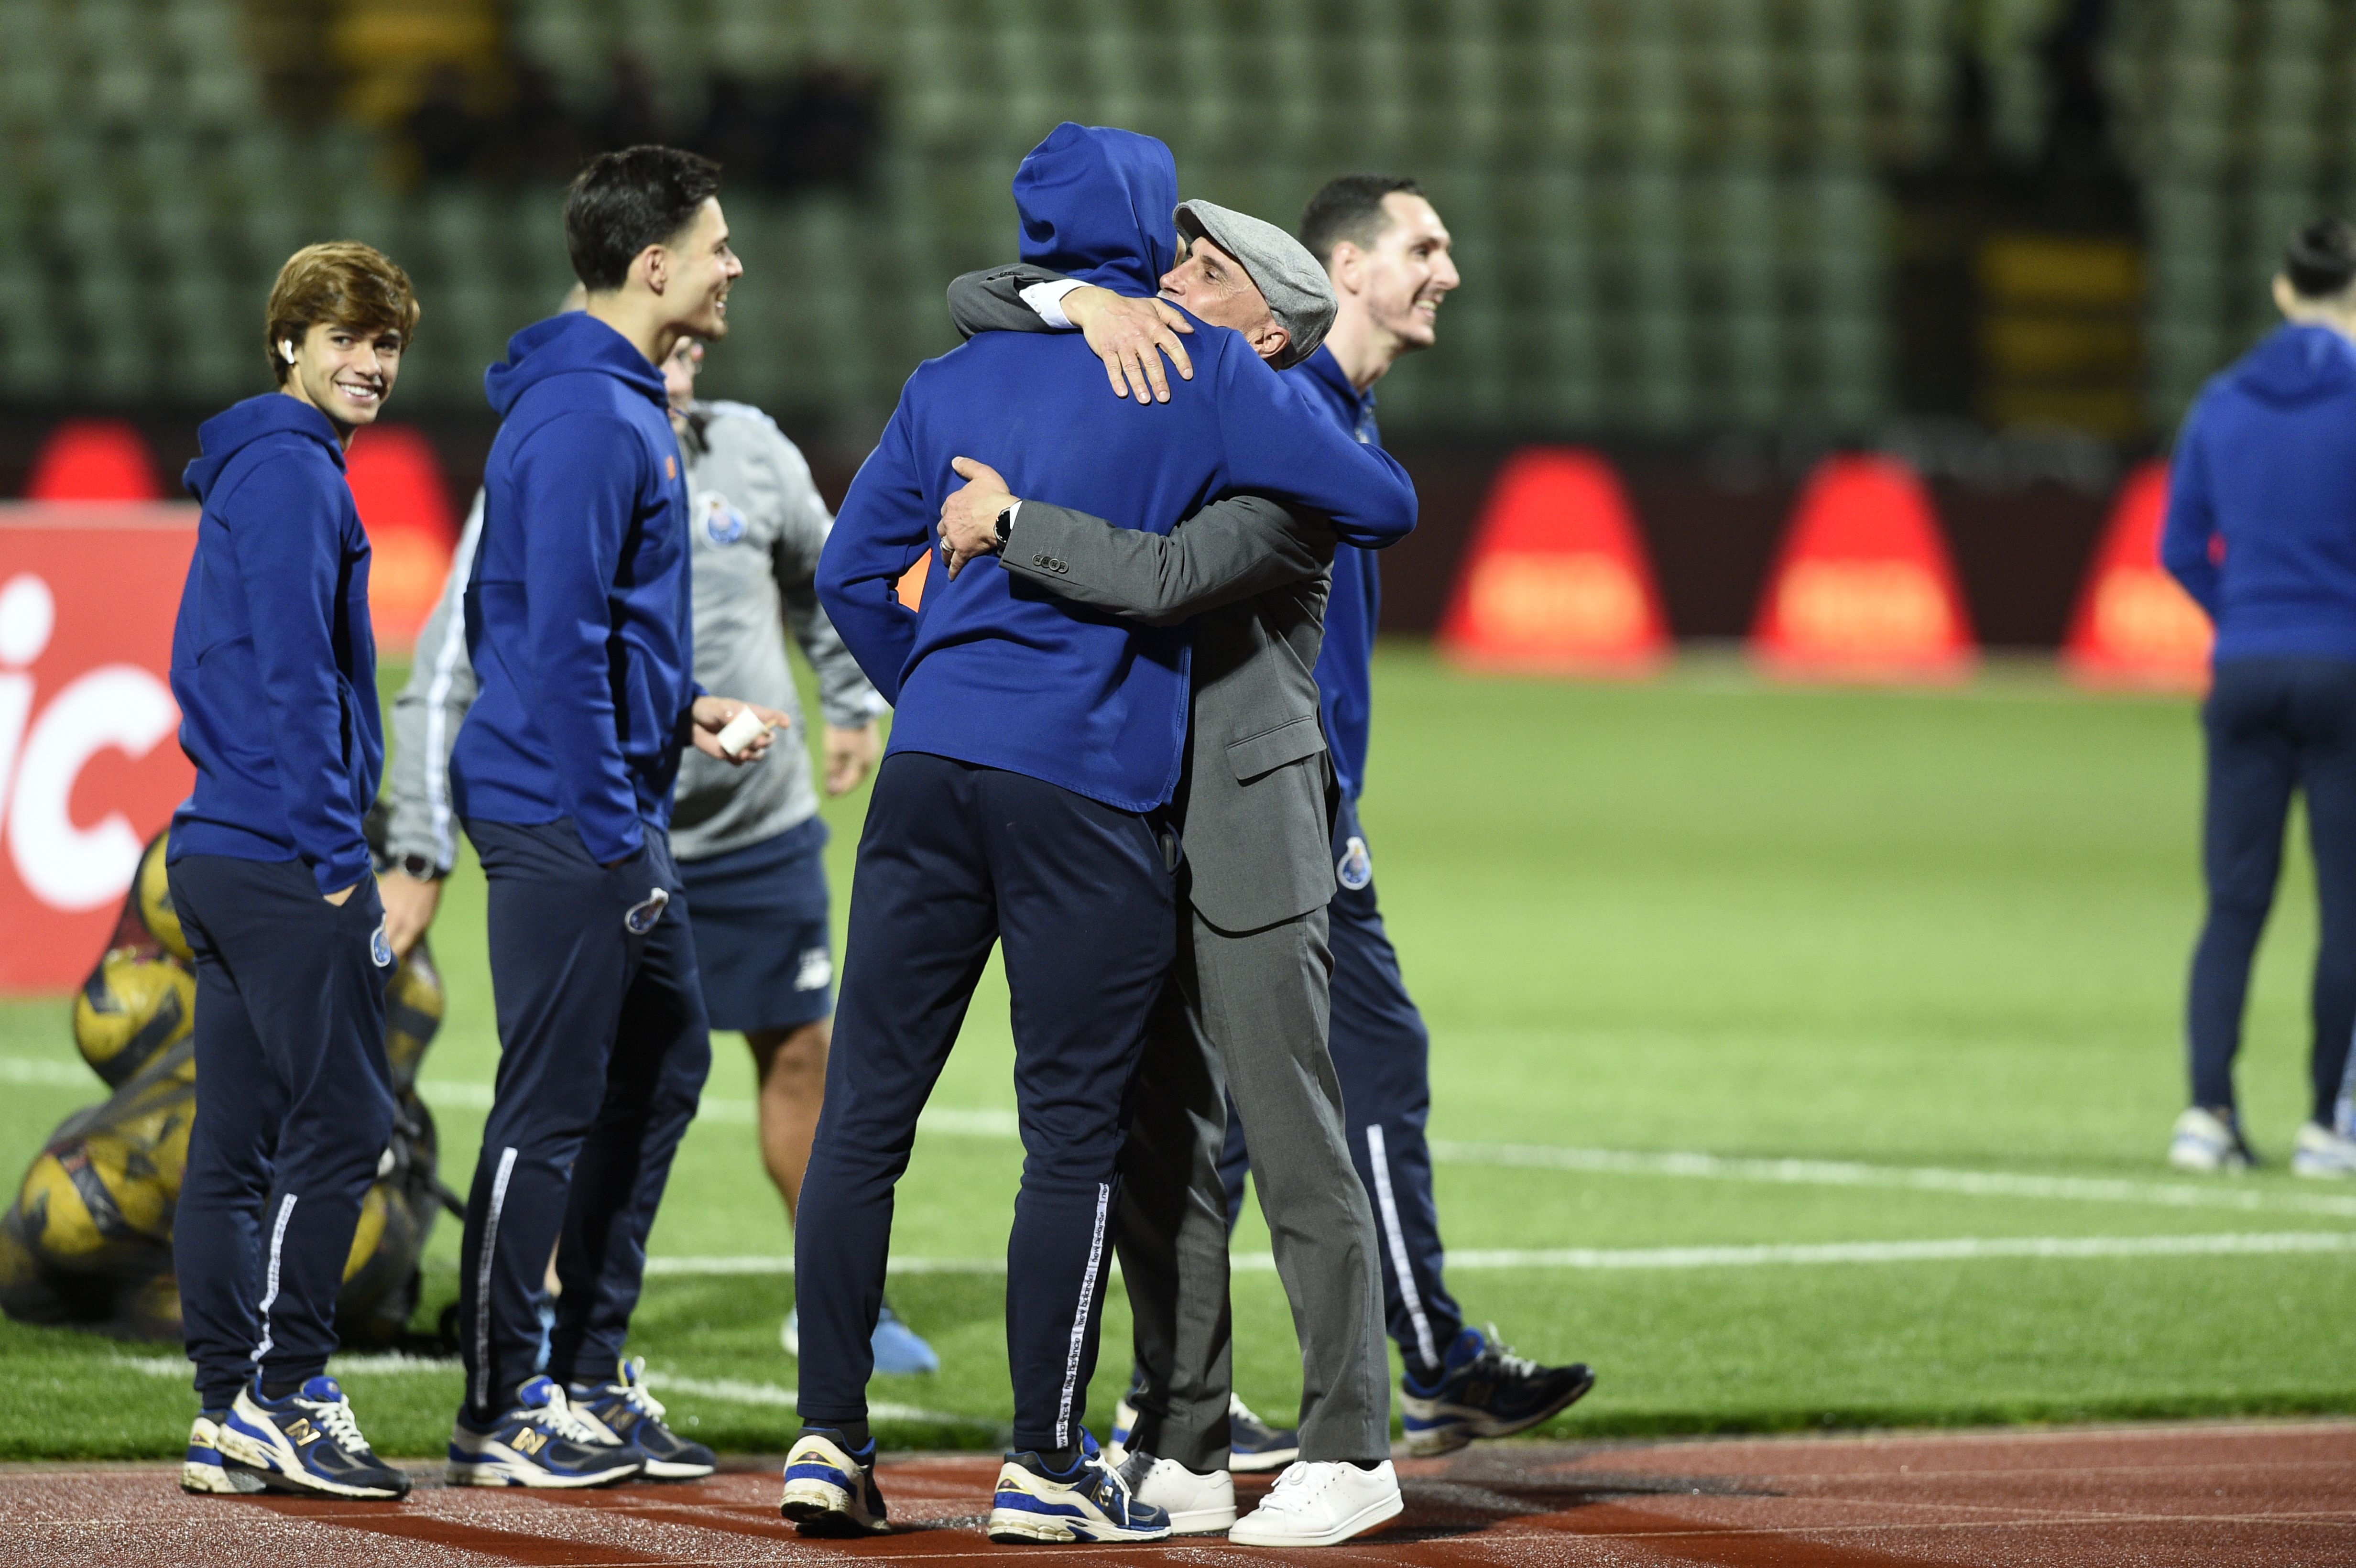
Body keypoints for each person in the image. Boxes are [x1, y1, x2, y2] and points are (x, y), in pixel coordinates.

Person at [779, 123, 1416, 1546]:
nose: (1188, 279)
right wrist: (1083, 305)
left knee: (875, 1116)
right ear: (1134, 249)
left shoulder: (976, 382)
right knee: (1098, 1137)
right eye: (1173, 254)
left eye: (1214, 271)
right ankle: (1072, 1458)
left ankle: (830, 1439)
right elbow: (1376, 505)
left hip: (1084, 808)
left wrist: (953, 645)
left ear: (1270, 319)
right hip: (1094, 797)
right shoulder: (1179, 377)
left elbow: (857, 570)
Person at [951, 173, 1597, 1458]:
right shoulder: (1277, 410)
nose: (1448, 273)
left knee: (1236, 1113)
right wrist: (1080, 312)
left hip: (1282, 804)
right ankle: (1354, 1396)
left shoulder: (1333, 426)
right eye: (1424, 245)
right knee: (1271, 1110)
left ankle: (1199, 1404)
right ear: (1341, 272)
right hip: (1255, 813)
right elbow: (988, 306)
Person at [378, 325, 935, 1377]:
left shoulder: (753, 451)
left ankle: (838, 1301)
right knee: (580, 1086)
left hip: (757, 824)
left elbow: (833, 574)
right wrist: (416, 841)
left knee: (792, 1055)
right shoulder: (563, 461)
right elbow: (457, 662)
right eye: (659, 351)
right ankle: (532, 1329)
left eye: (683, 356)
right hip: (613, 832)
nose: (677, 367)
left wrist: (854, 697)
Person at [445, 145, 790, 1488]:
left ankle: (585, 1375)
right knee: (552, 1100)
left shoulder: (610, 401)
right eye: (717, 245)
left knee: (664, 1066)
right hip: (568, 809)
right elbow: (546, 645)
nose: (733, 265)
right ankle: (496, 1410)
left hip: (603, 786)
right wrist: (607, 831)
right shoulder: (595, 418)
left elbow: (568, 626)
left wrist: (683, 707)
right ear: (655, 268)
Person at [165, 240, 420, 1500]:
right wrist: (336, 858)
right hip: (282, 851)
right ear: (289, 342)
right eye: (346, 338)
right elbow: (287, 675)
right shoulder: (294, 475)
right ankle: (286, 1389)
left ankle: (225, 1412)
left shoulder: (262, 464)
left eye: (384, 345)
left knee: (238, 1140)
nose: (369, 364)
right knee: (349, 1120)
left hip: (218, 839)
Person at [2163, 217, 2356, 1180]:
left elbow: (2176, 547)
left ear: (2283, 290)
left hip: (2242, 672)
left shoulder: (2221, 399)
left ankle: (2207, 1113)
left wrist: (2238, 614)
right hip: (2345, 674)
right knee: (2347, 907)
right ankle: (2328, 1121)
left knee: (2233, 903)